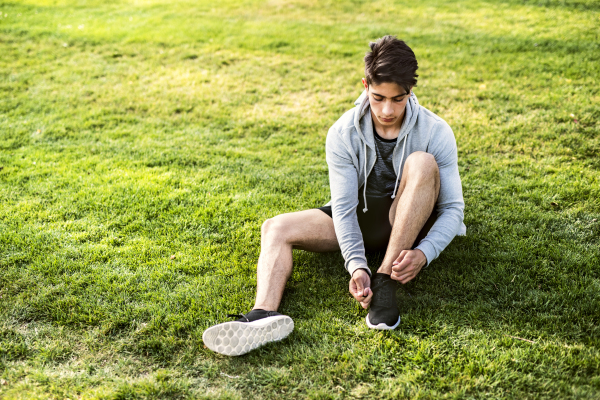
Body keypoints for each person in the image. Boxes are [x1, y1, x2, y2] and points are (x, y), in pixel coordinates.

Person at [202, 35, 465, 356]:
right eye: (379, 97)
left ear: (411, 92)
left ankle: (384, 283)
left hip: (410, 218)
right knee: (275, 227)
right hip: (366, 215)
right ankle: (262, 315)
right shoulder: (343, 132)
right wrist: (356, 266)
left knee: (422, 162)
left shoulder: (436, 131)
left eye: (398, 99)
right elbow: (343, 209)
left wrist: (424, 252)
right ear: (365, 85)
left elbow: (452, 209)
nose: (386, 109)